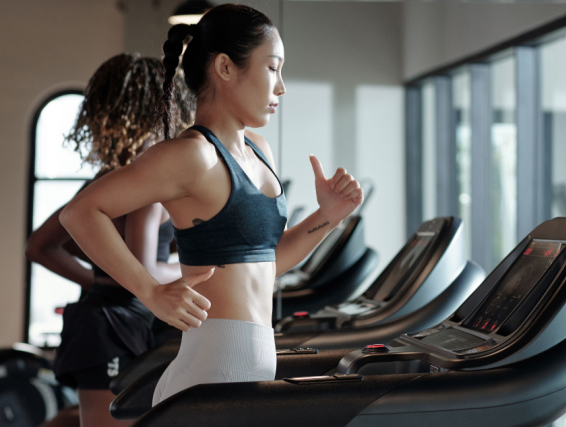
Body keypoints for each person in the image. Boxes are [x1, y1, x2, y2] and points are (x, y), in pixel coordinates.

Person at [59, 3, 364, 407]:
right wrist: (150, 291)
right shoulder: (192, 155)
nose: (281, 87)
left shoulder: (259, 151)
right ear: (224, 67)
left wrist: (327, 217)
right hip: (213, 367)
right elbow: (80, 213)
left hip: (250, 365)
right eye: (273, 68)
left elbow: (266, 264)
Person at [26, 52, 194, 426]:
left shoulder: (103, 178)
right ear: (163, 110)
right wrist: (194, 269)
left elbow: (43, 246)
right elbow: (143, 267)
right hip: (112, 324)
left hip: (107, 316)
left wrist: (104, 276)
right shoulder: (143, 182)